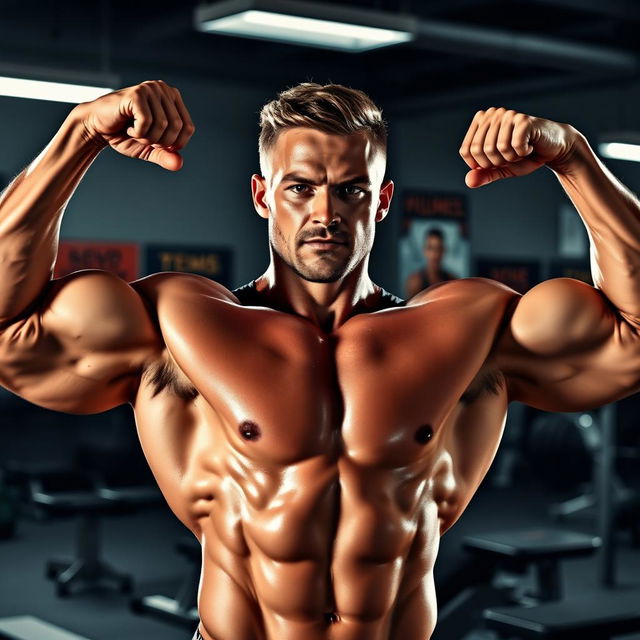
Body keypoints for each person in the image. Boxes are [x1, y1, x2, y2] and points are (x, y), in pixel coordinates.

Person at [0, 80, 639, 640]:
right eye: (300, 188)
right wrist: (78, 133)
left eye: (351, 190)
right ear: (261, 194)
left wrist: (575, 159)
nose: (325, 213)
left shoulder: (469, 332)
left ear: (382, 202)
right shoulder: (179, 327)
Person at [405, 227, 457, 298]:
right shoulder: (415, 282)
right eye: (430, 248)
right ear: (424, 250)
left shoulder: (453, 281)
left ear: (443, 251)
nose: (434, 254)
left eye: (438, 248)